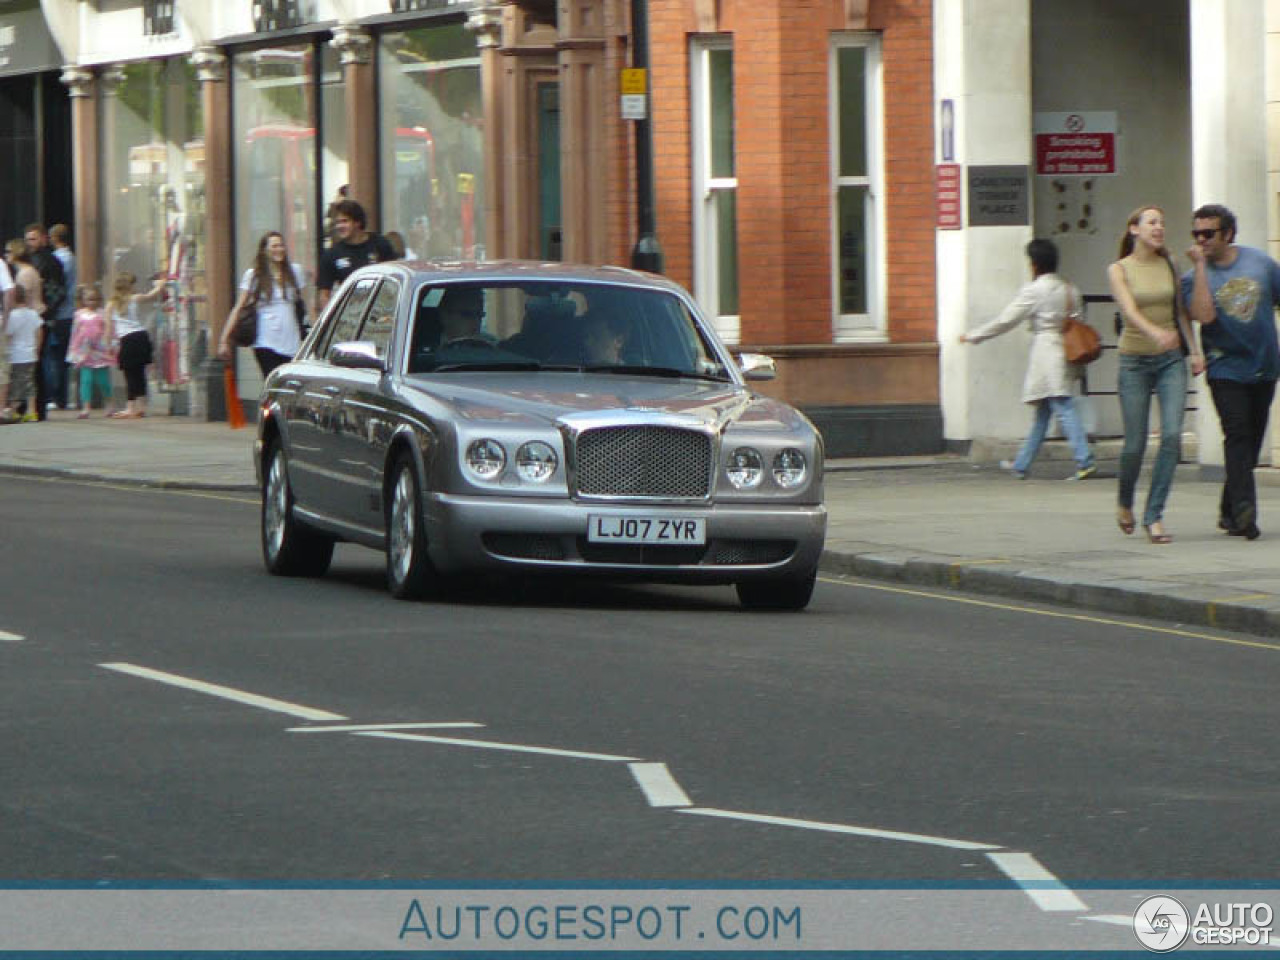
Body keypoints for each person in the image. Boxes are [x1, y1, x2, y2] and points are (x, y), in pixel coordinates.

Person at [958, 238, 1096, 482]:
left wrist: (974, 336)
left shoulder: (1035, 290)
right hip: (1067, 351)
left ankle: (1085, 460)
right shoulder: (1069, 288)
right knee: (1044, 412)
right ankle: (1022, 464)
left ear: (1034, 264)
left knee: (1062, 406)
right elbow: (1079, 318)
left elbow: (1006, 320)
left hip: (1046, 351)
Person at [1184, 203, 1280, 541]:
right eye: (1196, 233)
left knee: (1251, 441)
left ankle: (1228, 509)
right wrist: (1198, 267)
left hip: (1264, 367)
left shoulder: (1262, 264)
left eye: (1208, 233)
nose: (1201, 240)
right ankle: (1244, 511)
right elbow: (1203, 316)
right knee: (1237, 434)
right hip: (1224, 366)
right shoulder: (1194, 276)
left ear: (1227, 234)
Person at [1109, 205, 1203, 544]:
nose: (1159, 228)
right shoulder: (1119, 269)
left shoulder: (1169, 263)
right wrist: (1154, 334)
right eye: (1151, 223)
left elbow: (1180, 312)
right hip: (1133, 362)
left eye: (1162, 223)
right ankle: (1124, 502)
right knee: (1134, 444)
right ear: (1134, 229)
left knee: (1172, 436)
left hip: (1170, 363)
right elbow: (1130, 311)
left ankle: (1154, 515)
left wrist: (1193, 350)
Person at [218, 231, 307, 377]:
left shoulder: (295, 271)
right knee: (273, 384)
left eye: (281, 245)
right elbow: (238, 307)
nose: (279, 249)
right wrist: (224, 340)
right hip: (265, 342)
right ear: (264, 250)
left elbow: (307, 305)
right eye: (274, 246)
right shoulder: (254, 275)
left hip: (292, 341)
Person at [315, 200, 396, 312]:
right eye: (337, 223)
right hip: (351, 316)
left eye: (344, 221)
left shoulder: (380, 244)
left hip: (382, 312)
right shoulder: (332, 255)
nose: (340, 226)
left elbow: (395, 278)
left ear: (357, 222)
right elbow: (324, 295)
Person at [107, 271, 164, 419]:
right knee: (140, 374)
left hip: (126, 340)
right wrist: (160, 285)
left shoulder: (111, 305)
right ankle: (142, 406)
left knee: (129, 375)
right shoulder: (135, 299)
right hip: (141, 337)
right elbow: (152, 295)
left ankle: (130, 408)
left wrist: (109, 345)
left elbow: (108, 327)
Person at [24, 223, 67, 420]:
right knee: (35, 361)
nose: (30, 242)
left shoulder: (49, 262)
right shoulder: (35, 261)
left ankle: (39, 404)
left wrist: (45, 313)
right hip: (38, 316)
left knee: (39, 360)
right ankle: (34, 405)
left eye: (33, 238)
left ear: (43, 238)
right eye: (28, 239)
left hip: (41, 318)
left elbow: (57, 292)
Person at [67, 283, 116, 418]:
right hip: (84, 352)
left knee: (103, 380)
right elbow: (75, 333)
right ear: (83, 300)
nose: (91, 302)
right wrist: (74, 350)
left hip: (100, 352)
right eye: (89, 299)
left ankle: (110, 403)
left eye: (94, 299)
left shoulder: (102, 313)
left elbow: (109, 330)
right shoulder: (79, 314)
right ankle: (86, 407)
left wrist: (111, 345)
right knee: (86, 380)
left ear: (99, 299)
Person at [2, 285, 43, 422]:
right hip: (30, 353)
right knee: (29, 382)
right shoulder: (33, 314)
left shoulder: (11, 316)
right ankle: (32, 411)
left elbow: (8, 335)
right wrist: (37, 348)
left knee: (15, 384)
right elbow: (39, 332)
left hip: (15, 354)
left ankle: (13, 410)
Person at [46, 224, 76, 410]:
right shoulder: (73, 257)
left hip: (60, 312)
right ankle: (63, 396)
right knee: (64, 357)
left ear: (55, 238)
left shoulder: (57, 259)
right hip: (70, 310)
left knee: (55, 356)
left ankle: (57, 396)